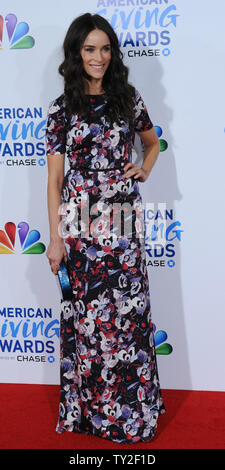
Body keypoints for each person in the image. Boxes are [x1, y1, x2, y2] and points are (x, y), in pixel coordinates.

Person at [45, 12, 166, 444]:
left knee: (128, 321)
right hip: (79, 225)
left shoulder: (128, 98)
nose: (99, 56)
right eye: (90, 48)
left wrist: (145, 168)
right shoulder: (62, 109)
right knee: (90, 323)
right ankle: (91, 415)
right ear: (77, 54)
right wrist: (56, 238)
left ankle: (132, 416)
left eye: (105, 48)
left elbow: (152, 143)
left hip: (122, 221)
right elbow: (55, 181)